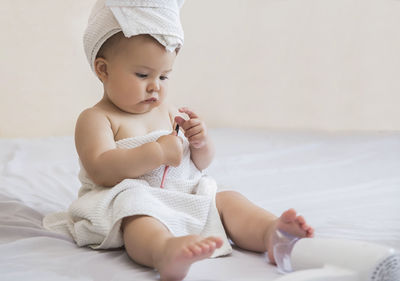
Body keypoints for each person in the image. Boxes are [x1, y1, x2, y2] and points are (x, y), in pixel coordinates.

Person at [43, 1, 314, 281]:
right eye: (142, 74)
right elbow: (100, 168)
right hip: (132, 198)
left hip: (181, 194)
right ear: (103, 70)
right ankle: (164, 251)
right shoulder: (97, 118)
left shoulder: (169, 111)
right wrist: (156, 152)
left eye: (164, 75)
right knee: (137, 214)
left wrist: (200, 143)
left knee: (226, 199)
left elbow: (199, 165)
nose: (155, 86)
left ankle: (270, 233)